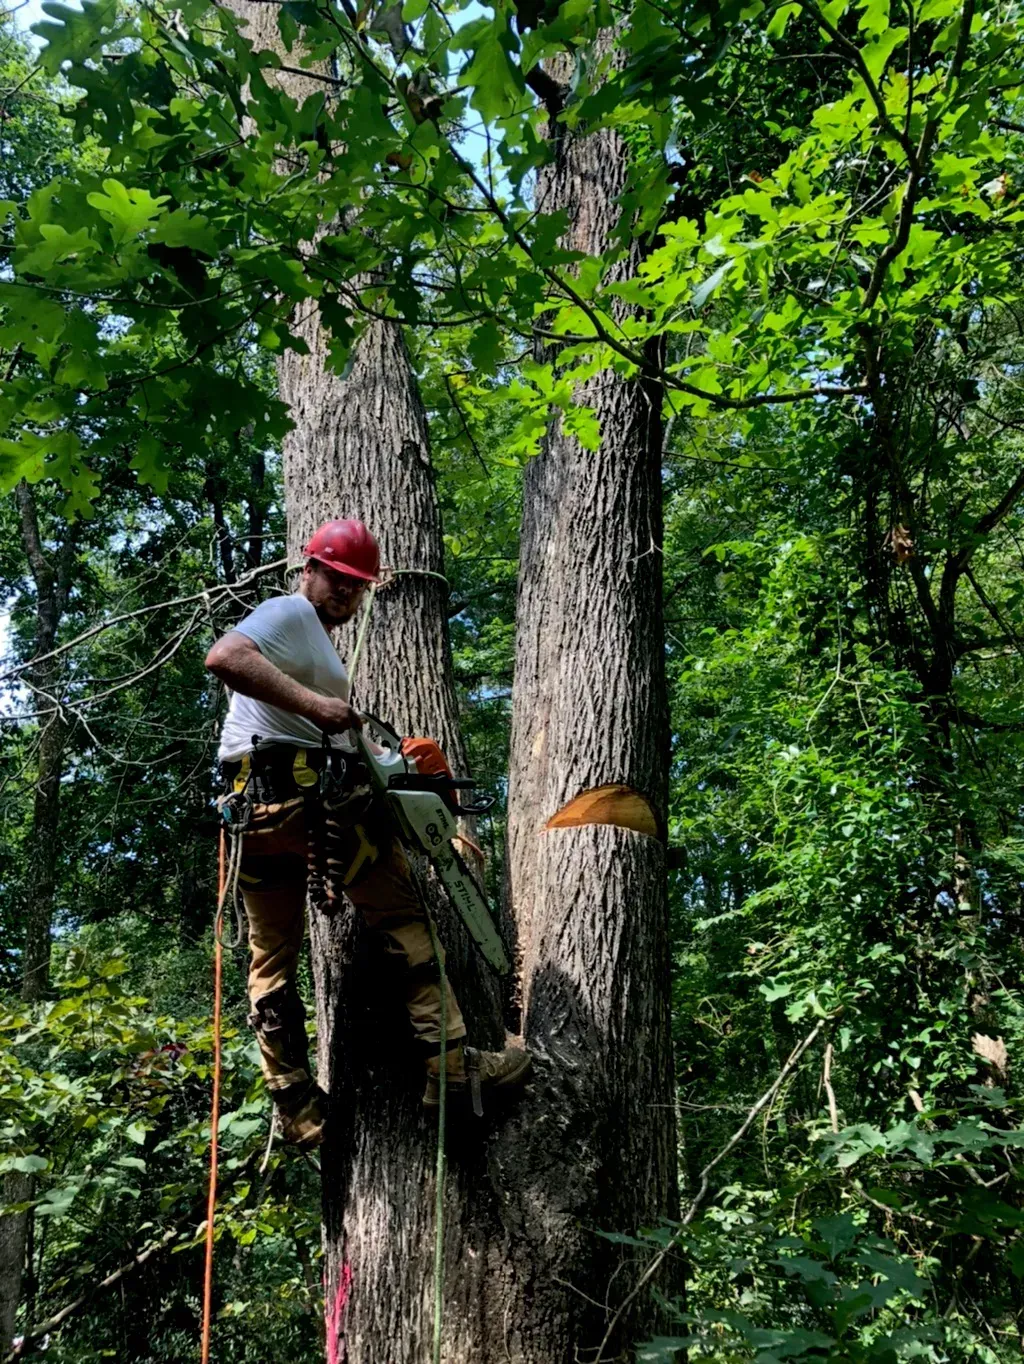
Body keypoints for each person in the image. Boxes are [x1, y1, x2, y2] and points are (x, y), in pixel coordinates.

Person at [205, 518, 529, 1149]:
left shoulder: (311, 644)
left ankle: (296, 1105)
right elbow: (225, 657)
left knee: (270, 959)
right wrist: (320, 707)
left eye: (357, 586)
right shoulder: (288, 614)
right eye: (337, 580)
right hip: (303, 803)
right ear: (310, 568)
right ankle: (453, 1067)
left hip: (254, 815)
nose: (346, 595)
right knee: (405, 919)